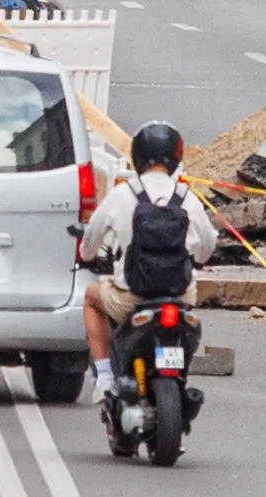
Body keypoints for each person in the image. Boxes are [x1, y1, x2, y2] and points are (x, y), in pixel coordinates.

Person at [77, 121, 215, 403]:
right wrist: (196, 258)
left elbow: (90, 241)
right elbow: (207, 248)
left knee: (91, 298)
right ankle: (177, 373)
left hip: (132, 298)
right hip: (180, 297)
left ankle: (104, 376)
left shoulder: (122, 194)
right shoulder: (187, 198)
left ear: (137, 156)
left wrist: (88, 256)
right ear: (176, 158)